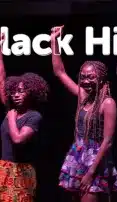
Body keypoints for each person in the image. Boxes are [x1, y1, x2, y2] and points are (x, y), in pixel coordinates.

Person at [50, 26, 117, 202]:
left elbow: (108, 141)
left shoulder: (108, 103)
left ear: (102, 78)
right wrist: (54, 40)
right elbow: (59, 72)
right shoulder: (83, 96)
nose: (86, 81)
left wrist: (91, 172)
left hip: (96, 160)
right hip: (78, 155)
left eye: (91, 77)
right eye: (83, 77)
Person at [0, 33, 49, 202]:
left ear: (31, 93)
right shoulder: (10, 108)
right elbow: (1, 77)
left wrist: (12, 118)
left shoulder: (34, 116)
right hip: (4, 168)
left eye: (21, 91)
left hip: (21, 171)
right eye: (13, 92)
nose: (16, 95)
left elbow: (18, 139)